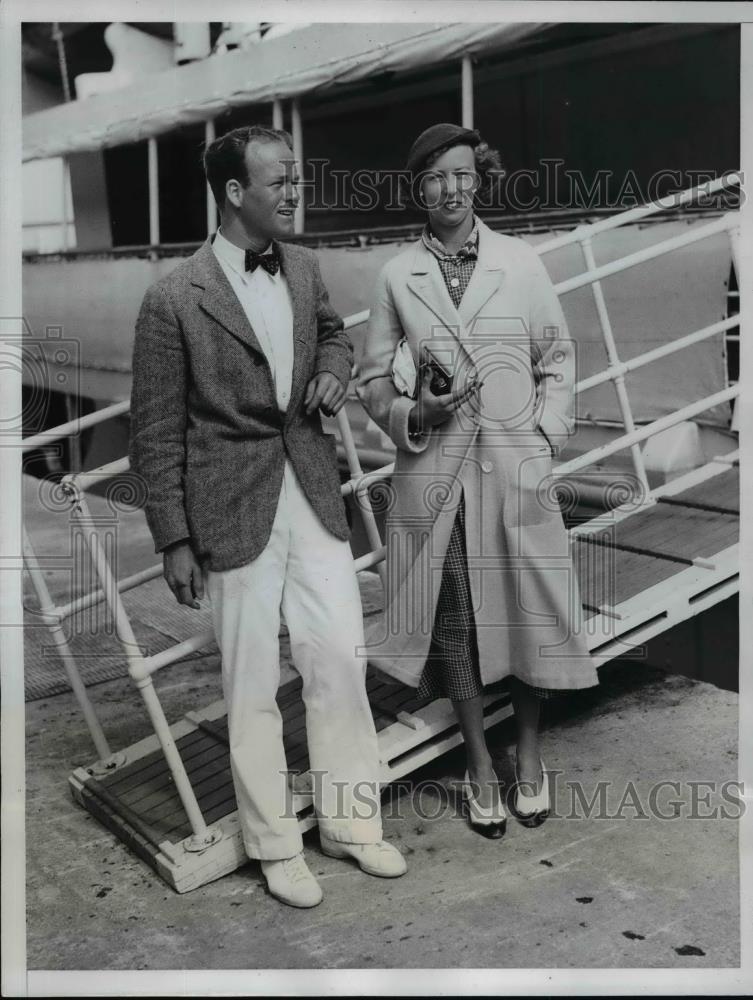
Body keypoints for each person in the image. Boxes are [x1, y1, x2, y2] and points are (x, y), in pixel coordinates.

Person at [129, 124, 406, 908]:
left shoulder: (307, 267)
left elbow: (331, 339)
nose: (294, 191)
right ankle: (275, 844)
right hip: (227, 506)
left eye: (295, 177)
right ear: (233, 193)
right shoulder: (172, 298)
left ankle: (352, 824)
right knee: (249, 680)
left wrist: (330, 373)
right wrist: (175, 538)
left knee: (339, 657)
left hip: (312, 492)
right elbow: (154, 429)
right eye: (279, 180)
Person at [357, 123, 599, 838]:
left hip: (512, 469)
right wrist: (410, 410)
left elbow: (557, 358)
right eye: (434, 178)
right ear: (417, 190)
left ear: (479, 179)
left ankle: (527, 755)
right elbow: (372, 379)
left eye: (462, 175)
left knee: (525, 612)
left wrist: (544, 438)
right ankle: (478, 762)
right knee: (455, 623)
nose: (450, 190)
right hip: (437, 474)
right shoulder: (397, 274)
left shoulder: (520, 263)